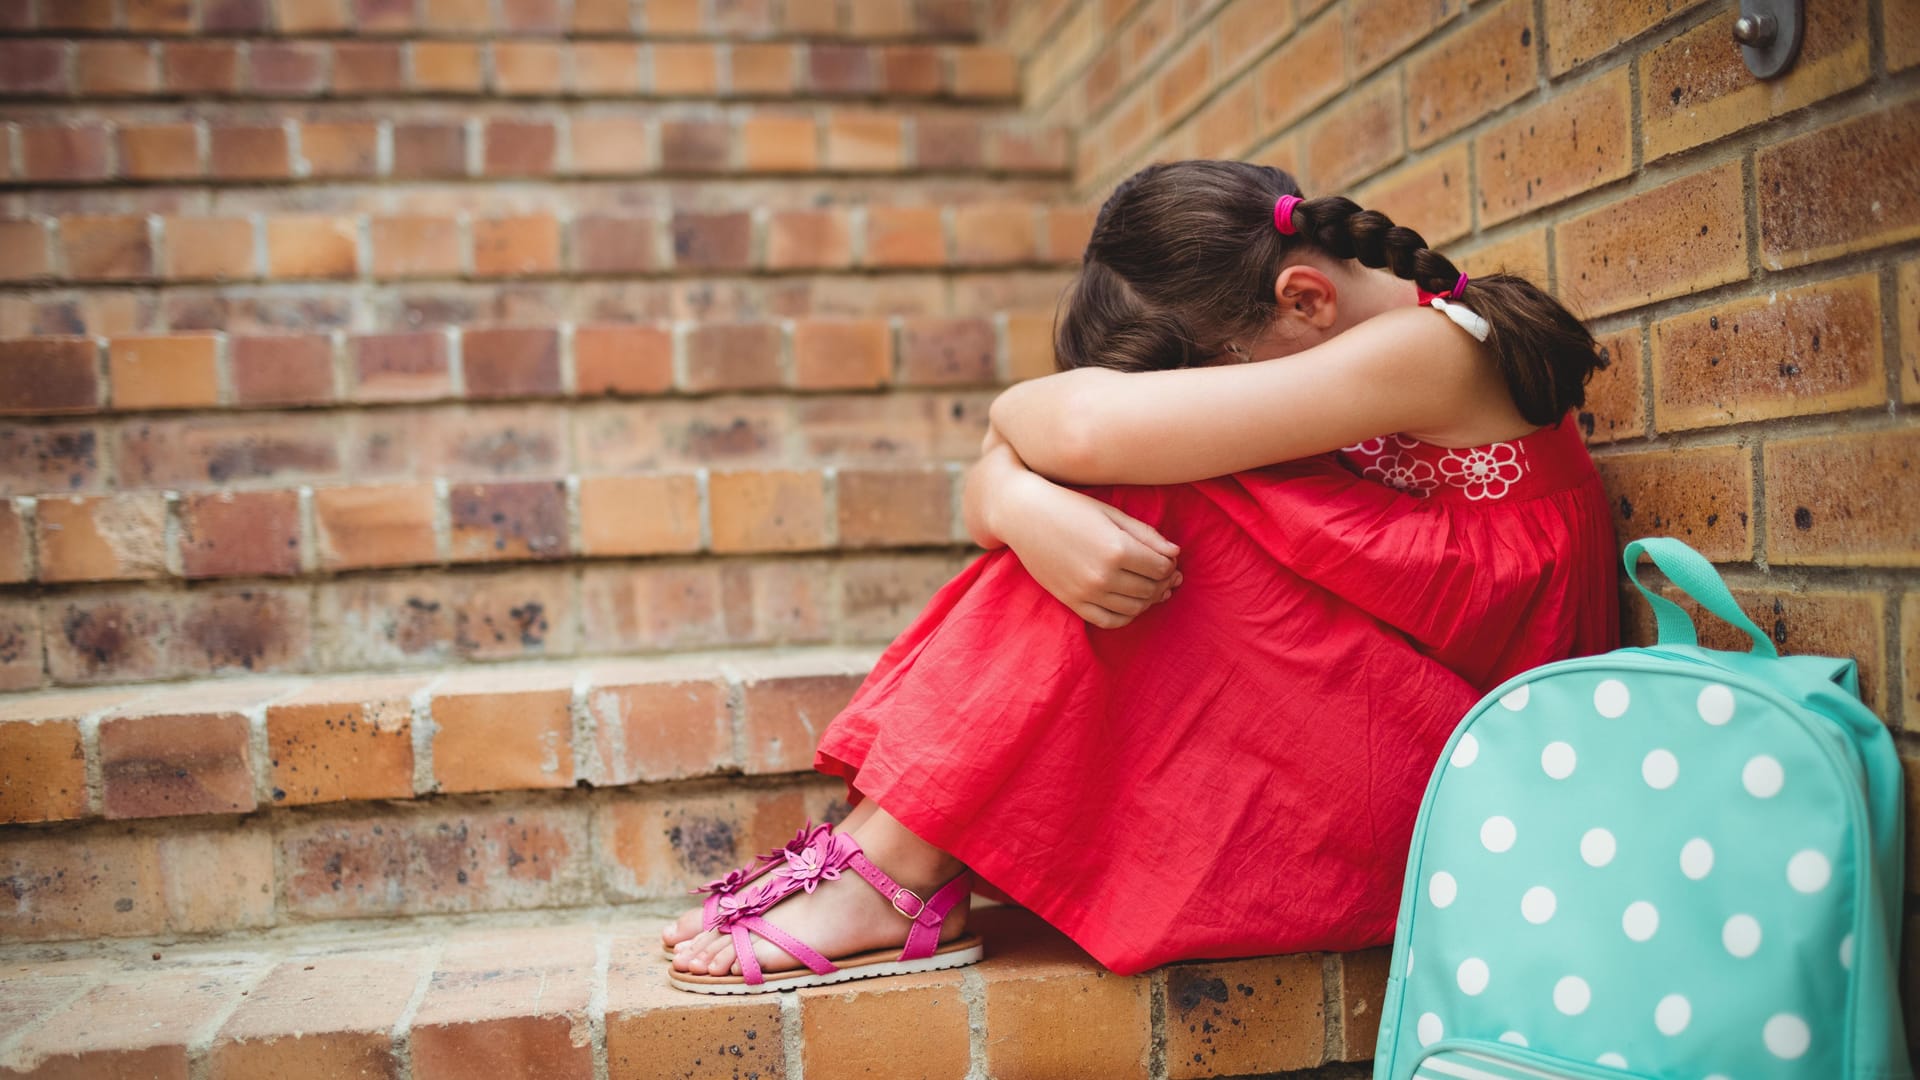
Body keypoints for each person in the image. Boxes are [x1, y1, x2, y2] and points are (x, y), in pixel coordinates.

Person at [661, 161, 1620, 993]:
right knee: (1128, 491)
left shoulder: (1434, 348)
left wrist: (1012, 453)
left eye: (1206, 379)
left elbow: (1076, 432)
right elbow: (1047, 453)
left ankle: (895, 866)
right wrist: (1018, 501)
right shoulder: (1359, 342)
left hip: (1480, 778)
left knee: (1160, 493)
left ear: (1304, 298)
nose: (1204, 401)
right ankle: (894, 851)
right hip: (1393, 716)